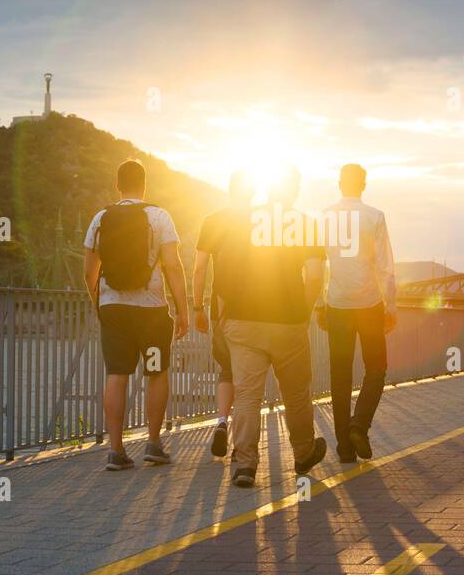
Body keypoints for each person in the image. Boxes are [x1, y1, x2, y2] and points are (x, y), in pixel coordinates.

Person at [219, 168, 328, 488]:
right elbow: (316, 275)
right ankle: (304, 453)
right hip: (288, 322)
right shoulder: (305, 225)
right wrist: (304, 311)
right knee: (296, 393)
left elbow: (223, 271)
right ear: (294, 191)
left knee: (247, 395)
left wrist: (223, 314)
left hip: (242, 319)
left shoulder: (242, 221)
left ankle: (244, 464)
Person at [84, 159, 189, 471]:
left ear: (118, 185)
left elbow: (89, 272)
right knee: (156, 372)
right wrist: (183, 309)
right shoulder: (159, 216)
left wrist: (99, 303)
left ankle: (115, 450)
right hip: (152, 313)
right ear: (145, 185)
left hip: (114, 310)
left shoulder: (100, 218)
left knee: (117, 374)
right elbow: (173, 265)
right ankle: (153, 444)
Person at [317, 163, 398, 463]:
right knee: (376, 368)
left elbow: (318, 264)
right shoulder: (375, 217)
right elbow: (385, 266)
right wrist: (390, 305)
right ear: (364, 185)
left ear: (340, 184)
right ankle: (359, 425)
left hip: (337, 302)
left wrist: (318, 304)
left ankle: (344, 446)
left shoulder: (324, 216)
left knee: (340, 374)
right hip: (369, 303)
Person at [192, 170, 255, 458]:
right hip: (258, 307)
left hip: (221, 306)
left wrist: (197, 307)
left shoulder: (213, 221)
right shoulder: (262, 222)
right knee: (249, 375)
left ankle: (221, 422)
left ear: (229, 191)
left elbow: (199, 267)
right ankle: (244, 441)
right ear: (252, 193)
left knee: (227, 369)